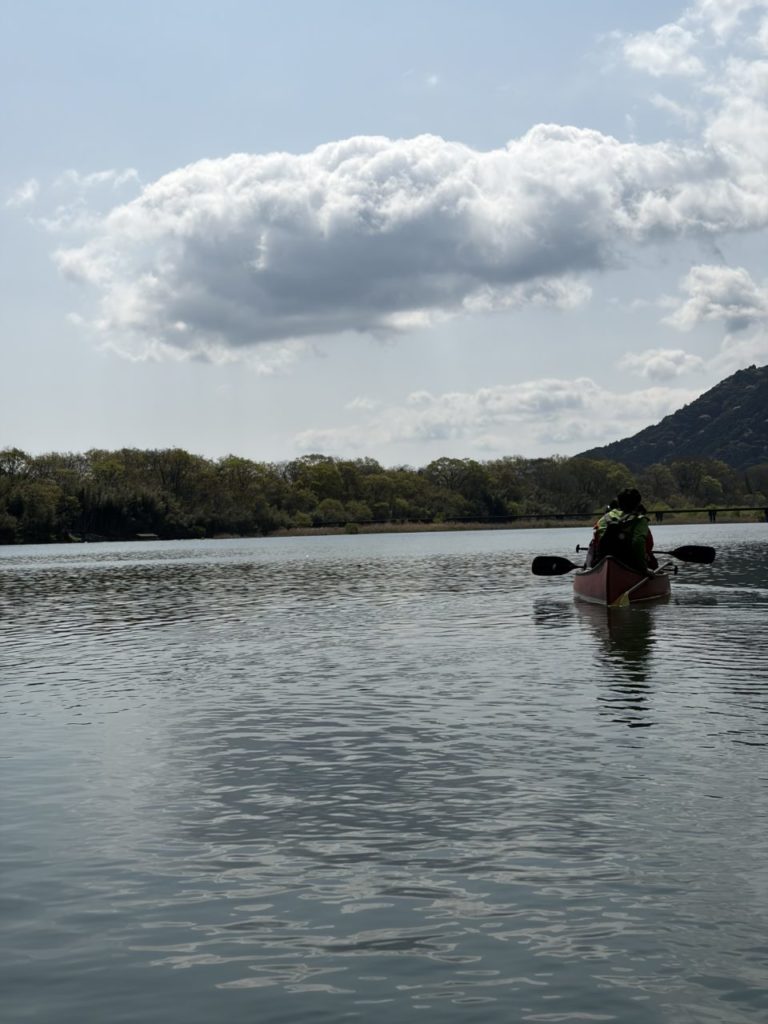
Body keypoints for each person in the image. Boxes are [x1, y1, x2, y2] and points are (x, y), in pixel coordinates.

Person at [587, 487, 658, 572]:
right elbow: (638, 543)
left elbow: (597, 541)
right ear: (638, 504)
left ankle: (589, 568)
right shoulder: (640, 520)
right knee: (654, 564)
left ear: (619, 503)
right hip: (628, 563)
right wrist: (643, 568)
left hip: (602, 560)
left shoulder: (604, 518)